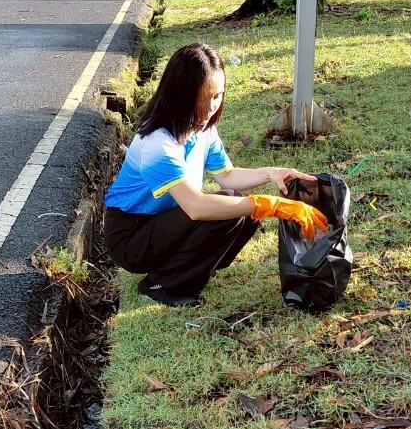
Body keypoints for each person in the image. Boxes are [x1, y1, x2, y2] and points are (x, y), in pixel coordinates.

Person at [103, 43, 329, 308]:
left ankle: (186, 268)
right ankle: (162, 284)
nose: (210, 107)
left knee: (235, 202)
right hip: (131, 235)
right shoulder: (156, 143)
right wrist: (270, 205)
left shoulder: (202, 129)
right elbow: (196, 207)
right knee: (233, 208)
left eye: (217, 96)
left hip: (165, 222)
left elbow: (227, 175)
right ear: (179, 95)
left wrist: (272, 173)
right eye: (201, 97)